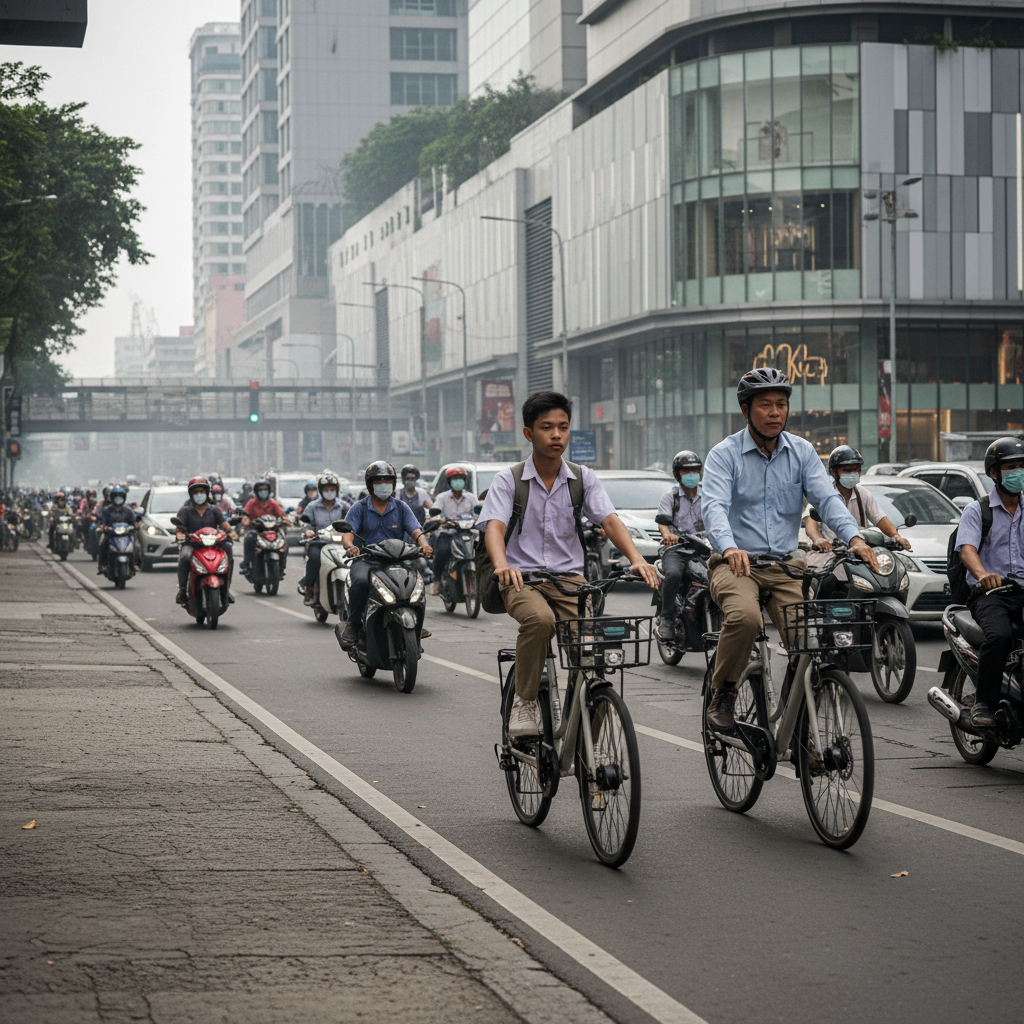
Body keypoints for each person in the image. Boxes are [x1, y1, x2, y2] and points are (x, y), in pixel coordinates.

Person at [700, 368, 878, 731]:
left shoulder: (802, 451)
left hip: (786, 566)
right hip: (736, 565)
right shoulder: (724, 454)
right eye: (764, 405)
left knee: (809, 641)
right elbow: (713, 507)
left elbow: (827, 500)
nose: (774, 412)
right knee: (746, 619)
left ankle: (801, 726)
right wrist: (730, 546)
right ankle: (724, 690)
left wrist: (854, 538)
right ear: (746, 410)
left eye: (781, 404)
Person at [477, 391, 659, 738]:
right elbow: (495, 528)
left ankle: (588, 713)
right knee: (540, 620)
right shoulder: (508, 480)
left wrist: (636, 559)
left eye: (563, 427)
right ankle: (525, 700)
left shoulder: (582, 478)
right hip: (521, 580)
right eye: (547, 427)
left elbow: (609, 519)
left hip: (570, 579)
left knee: (591, 647)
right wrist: (502, 565)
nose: (556, 435)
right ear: (529, 433)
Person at [954, 436, 1024, 728]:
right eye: (1010, 467)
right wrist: (983, 575)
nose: (1018, 472)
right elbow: (967, 550)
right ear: (994, 472)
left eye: (1022, 466)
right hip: (990, 594)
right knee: (999, 636)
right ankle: (985, 701)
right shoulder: (976, 510)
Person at [337, 461, 432, 646]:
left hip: (396, 559)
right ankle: (353, 624)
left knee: (416, 581)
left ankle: (416, 624)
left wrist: (424, 545)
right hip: (366, 559)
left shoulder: (401, 507)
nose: (383, 484)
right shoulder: (360, 508)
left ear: (394, 484)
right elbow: (347, 534)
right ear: (370, 484)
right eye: (378, 480)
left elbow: (416, 530)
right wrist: (350, 547)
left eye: (387, 480)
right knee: (361, 582)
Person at [804, 445, 911, 583]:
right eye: (848, 470)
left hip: (859, 558)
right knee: (825, 584)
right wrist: (818, 540)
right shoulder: (823, 494)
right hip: (828, 558)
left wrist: (896, 536)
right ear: (834, 472)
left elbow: (880, 519)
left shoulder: (864, 495)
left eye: (856, 470)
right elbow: (810, 523)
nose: (853, 474)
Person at [655, 450, 704, 641]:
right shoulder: (671, 496)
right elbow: (663, 522)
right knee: (674, 575)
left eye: (695, 470)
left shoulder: (708, 495)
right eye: (687, 470)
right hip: (677, 550)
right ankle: (666, 618)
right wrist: (668, 535)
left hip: (703, 549)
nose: (692, 474)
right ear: (678, 473)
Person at [174, 477, 235, 606]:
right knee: (184, 556)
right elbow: (179, 528)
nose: (199, 495)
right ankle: (182, 590)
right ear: (191, 494)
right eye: (196, 492)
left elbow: (223, 524)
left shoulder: (214, 510)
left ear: (207, 493)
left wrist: (231, 531)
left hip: (214, 544)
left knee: (228, 550)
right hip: (192, 544)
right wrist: (180, 535)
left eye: (202, 491)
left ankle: (226, 588)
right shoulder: (186, 511)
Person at [297, 471, 349, 605]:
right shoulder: (312, 506)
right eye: (326, 490)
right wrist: (308, 530)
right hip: (319, 543)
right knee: (314, 557)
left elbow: (353, 522)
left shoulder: (344, 507)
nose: (329, 492)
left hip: (341, 544)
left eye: (332, 489)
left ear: (337, 490)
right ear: (321, 491)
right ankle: (308, 587)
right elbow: (305, 521)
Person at [430, 466, 478, 595]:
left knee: (479, 552)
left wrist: (477, 520)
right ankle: (437, 581)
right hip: (448, 533)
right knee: (442, 553)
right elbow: (435, 513)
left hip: (466, 533)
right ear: (450, 482)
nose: (458, 482)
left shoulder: (471, 498)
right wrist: (440, 520)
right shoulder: (442, 498)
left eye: (460, 479)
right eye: (455, 479)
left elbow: (478, 513)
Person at [240, 478, 286, 575]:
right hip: (257, 530)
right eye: (261, 490)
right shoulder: (251, 503)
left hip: (272, 530)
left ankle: (281, 568)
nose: (263, 492)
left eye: (265, 490)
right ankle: (246, 563)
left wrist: (286, 520)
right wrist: (245, 521)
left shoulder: (273, 503)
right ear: (256, 492)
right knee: (248, 539)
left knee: (284, 543)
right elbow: (245, 515)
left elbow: (282, 515)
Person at [96, 485, 137, 576]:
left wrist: (135, 526)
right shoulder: (107, 511)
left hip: (125, 535)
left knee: (136, 545)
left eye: (120, 497)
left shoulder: (128, 511)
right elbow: (102, 521)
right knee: (102, 544)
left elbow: (133, 521)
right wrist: (102, 526)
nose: (118, 499)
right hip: (111, 535)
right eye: (116, 497)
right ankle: (102, 565)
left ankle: (134, 564)